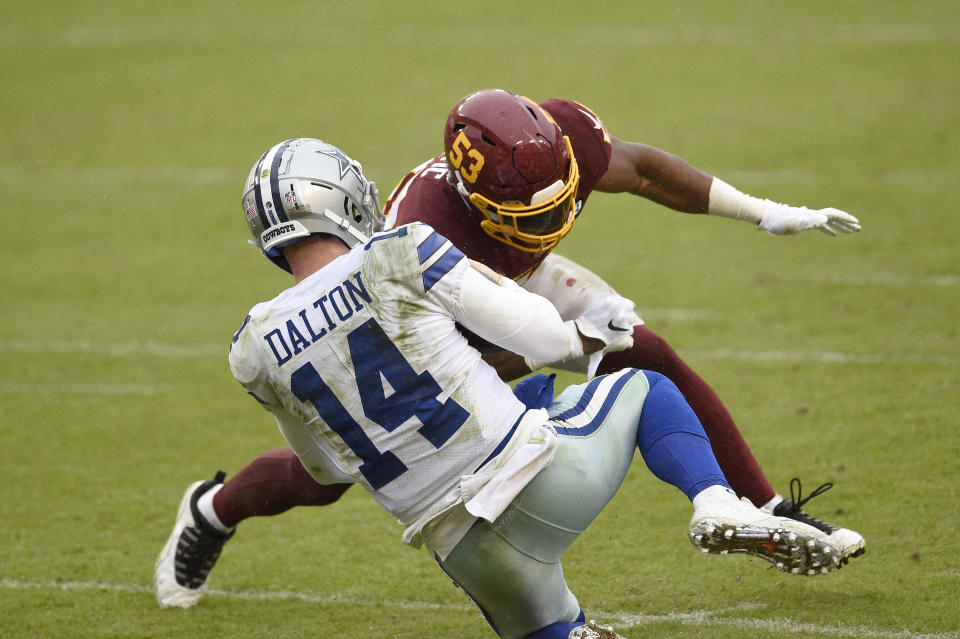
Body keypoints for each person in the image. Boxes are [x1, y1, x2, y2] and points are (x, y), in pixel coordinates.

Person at [154, 89, 865, 609]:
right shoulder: (414, 238)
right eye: (533, 216)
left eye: (564, 204)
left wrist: (767, 212)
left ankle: (767, 508)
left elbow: (643, 170)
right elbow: (454, 373)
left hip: (508, 284)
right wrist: (573, 344)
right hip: (451, 320)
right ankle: (214, 509)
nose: (556, 221)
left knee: (650, 356)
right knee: (333, 473)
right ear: (471, 199)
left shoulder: (558, 143)